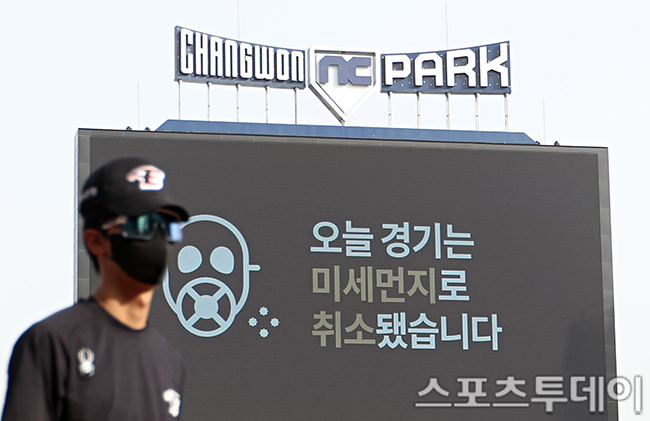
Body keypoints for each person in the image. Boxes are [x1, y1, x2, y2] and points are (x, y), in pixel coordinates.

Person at [2, 157, 189, 420]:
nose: (157, 238)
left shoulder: (169, 360)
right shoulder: (52, 343)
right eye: (142, 224)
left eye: (167, 225)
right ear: (96, 241)